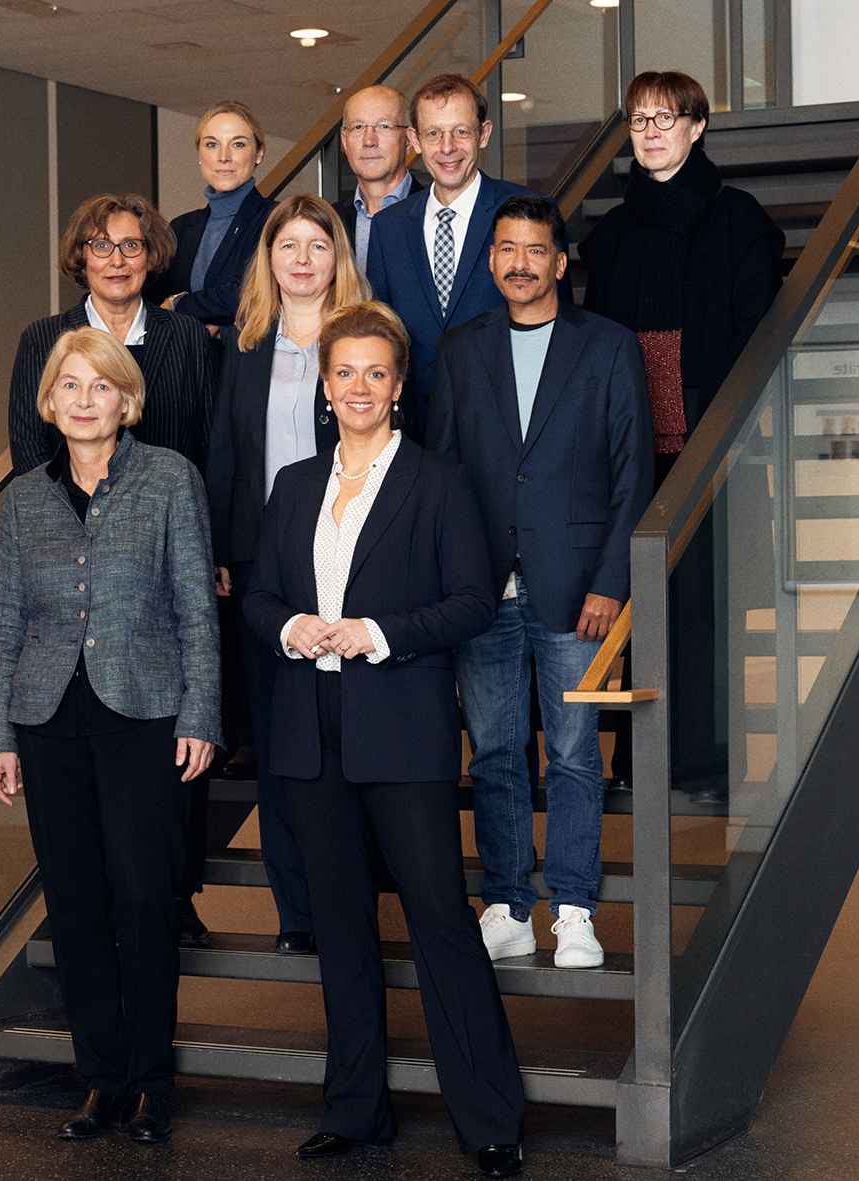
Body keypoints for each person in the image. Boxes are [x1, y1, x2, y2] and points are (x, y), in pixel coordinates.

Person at [244, 301, 525, 1179]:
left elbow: (473, 601)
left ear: (399, 385)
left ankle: (490, 1118)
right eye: (344, 373)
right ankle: (355, 1110)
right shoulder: (294, 485)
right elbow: (257, 596)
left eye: (375, 372)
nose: (359, 387)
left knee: (439, 917)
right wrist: (291, 625)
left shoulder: (439, 482)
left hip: (402, 729)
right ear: (325, 387)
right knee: (340, 925)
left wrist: (377, 632)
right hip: (309, 731)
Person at [0, 327, 221, 1145]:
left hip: (144, 714)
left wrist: (201, 714)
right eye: (70, 386)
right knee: (76, 901)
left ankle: (150, 1081)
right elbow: (7, 622)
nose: (84, 401)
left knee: (145, 895)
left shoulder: (170, 478)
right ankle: (101, 1078)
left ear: (127, 400)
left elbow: (197, 609)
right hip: (48, 721)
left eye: (101, 386)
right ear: (49, 402)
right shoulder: (25, 498)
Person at [424, 194, 653, 969]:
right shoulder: (462, 348)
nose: (519, 263)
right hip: (483, 590)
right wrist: (452, 583)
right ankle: (508, 905)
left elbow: (632, 475)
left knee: (576, 753)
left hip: (579, 590)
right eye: (506, 249)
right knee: (494, 752)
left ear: (559, 262)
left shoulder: (609, 346)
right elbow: (444, 474)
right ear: (490, 260)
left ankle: (575, 910)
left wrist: (611, 582)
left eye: (534, 250)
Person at [5, 193, 224, 947]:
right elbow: (29, 450)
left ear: (151, 256)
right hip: (72, 561)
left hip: (167, 552)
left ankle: (174, 891)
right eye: (101, 246)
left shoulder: (187, 338)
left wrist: (203, 547)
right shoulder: (44, 340)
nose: (118, 259)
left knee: (170, 735)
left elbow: (208, 442)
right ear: (81, 258)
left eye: (131, 245)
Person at [577, 71, 784, 793]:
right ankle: (638, 762)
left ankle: (707, 762)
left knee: (705, 612)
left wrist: (719, 418)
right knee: (638, 605)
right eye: (640, 120)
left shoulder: (738, 218)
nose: (652, 132)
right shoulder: (608, 235)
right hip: (631, 447)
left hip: (712, 439)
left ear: (698, 127)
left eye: (668, 118)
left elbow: (757, 332)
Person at [204, 193, 371, 955]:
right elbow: (225, 454)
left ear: (339, 257)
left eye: (317, 245)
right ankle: (297, 911)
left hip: (349, 555)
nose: (302, 260)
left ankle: (351, 899)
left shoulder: (364, 340)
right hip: (262, 568)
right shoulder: (244, 346)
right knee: (279, 746)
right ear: (267, 259)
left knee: (347, 739)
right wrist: (223, 550)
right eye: (287, 245)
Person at [366, 73, 552, 431]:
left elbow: (556, 331)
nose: (447, 148)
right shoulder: (388, 227)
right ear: (414, 140)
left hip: (509, 428)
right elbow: (381, 337)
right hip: (415, 432)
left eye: (461, 132)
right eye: (433, 134)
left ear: (483, 133)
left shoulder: (530, 211)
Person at [146, 100, 276, 326]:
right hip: (185, 349)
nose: (223, 156)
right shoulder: (180, 228)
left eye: (238, 144)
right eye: (212, 144)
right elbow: (150, 299)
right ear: (199, 153)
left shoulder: (276, 219)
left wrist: (178, 303)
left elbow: (250, 294)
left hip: (243, 349)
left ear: (259, 153)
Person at [330, 85, 420, 274]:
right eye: (358, 127)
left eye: (384, 126)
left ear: (409, 141)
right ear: (345, 141)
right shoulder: (329, 220)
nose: (369, 141)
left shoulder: (436, 212)